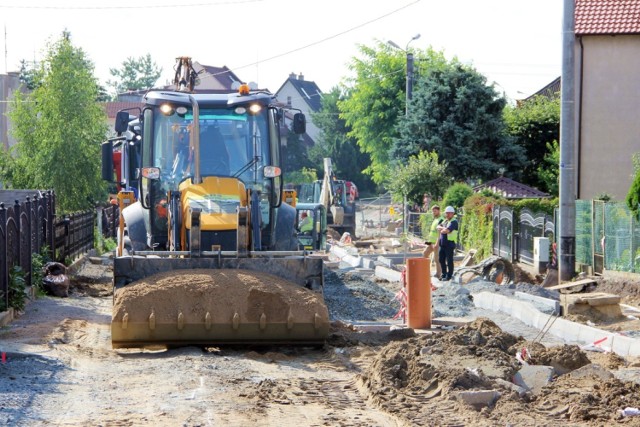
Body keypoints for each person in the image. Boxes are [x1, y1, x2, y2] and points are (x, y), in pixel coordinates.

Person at [437, 206, 459, 281]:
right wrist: (443, 229)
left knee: (449, 260)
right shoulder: (445, 221)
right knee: (441, 259)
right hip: (442, 244)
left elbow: (447, 231)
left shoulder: (454, 222)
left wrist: (443, 229)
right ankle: (444, 274)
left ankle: (449, 276)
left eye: (449, 213)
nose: (448, 214)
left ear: (453, 213)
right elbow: (438, 227)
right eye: (446, 213)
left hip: (449, 244)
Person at [422, 205, 443, 279]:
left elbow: (439, 233)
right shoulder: (435, 219)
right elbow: (432, 232)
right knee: (425, 253)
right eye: (433, 211)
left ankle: (439, 274)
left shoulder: (441, 220)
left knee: (437, 259)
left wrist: (437, 243)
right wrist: (427, 242)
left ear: (439, 211)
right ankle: (426, 271)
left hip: (436, 243)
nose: (433, 212)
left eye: (435, 211)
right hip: (430, 242)